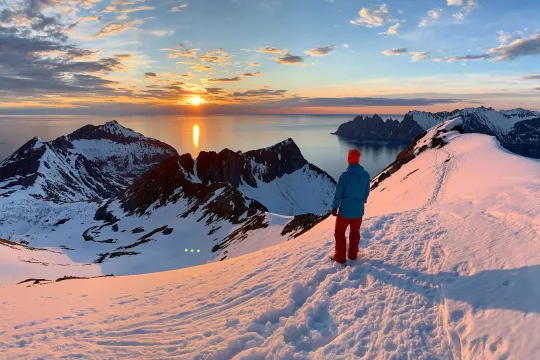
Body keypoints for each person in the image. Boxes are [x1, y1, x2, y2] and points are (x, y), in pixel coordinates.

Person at [330, 149, 371, 264]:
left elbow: (338, 194)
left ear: (349, 159)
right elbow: (367, 191)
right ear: (358, 159)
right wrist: (361, 202)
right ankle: (353, 256)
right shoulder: (365, 175)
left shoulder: (345, 176)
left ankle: (340, 258)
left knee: (339, 234)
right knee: (355, 233)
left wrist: (334, 207)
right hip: (358, 212)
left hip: (345, 212)